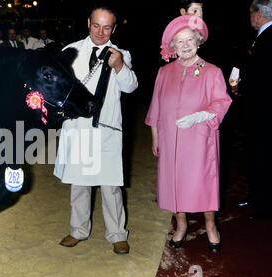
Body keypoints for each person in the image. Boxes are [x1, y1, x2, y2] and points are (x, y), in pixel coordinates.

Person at [54, 6, 138, 255]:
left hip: (106, 129)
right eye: (96, 25)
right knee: (79, 184)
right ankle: (78, 230)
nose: (101, 32)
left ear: (114, 28)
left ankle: (117, 235)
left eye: (107, 27)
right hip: (79, 128)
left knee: (110, 186)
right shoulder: (71, 51)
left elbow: (131, 87)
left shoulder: (121, 54)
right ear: (88, 22)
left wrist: (120, 66)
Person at [145, 15, 232, 253]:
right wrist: (156, 137)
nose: (185, 45)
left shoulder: (212, 71)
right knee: (174, 182)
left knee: (204, 181)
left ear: (198, 41)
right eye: (179, 41)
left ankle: (210, 224)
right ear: (172, 47)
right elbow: (156, 107)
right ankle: (180, 224)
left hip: (200, 139)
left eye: (189, 40)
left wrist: (201, 116)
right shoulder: (164, 72)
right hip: (170, 139)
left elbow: (222, 101)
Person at [231, 0, 272, 219]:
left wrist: (241, 87)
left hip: (265, 111)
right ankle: (257, 197)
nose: (250, 17)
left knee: (264, 156)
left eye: (250, 12)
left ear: (258, 14)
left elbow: (262, 76)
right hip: (260, 109)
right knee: (257, 154)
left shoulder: (268, 38)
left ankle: (264, 206)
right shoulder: (262, 37)